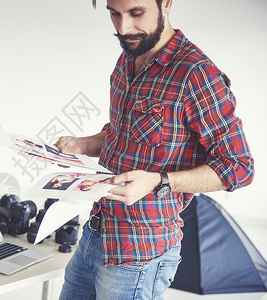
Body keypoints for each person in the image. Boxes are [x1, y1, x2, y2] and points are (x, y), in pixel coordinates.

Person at [55, 0, 254, 299]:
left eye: (136, 13)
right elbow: (122, 133)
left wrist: (159, 181)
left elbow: (239, 167)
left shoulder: (197, 75)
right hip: (94, 233)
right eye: (114, 13)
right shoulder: (128, 58)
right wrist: (83, 144)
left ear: (167, 3)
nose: (124, 28)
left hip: (139, 252)